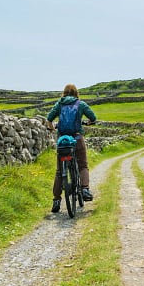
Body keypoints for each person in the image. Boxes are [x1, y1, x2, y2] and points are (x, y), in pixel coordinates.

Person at [46, 83, 97, 213]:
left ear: (64, 93)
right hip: (77, 138)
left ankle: (56, 200)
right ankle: (85, 189)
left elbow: (49, 120)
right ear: (76, 93)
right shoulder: (81, 104)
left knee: (59, 171)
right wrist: (88, 123)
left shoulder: (59, 104)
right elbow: (93, 118)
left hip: (63, 140)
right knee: (83, 166)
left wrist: (52, 128)